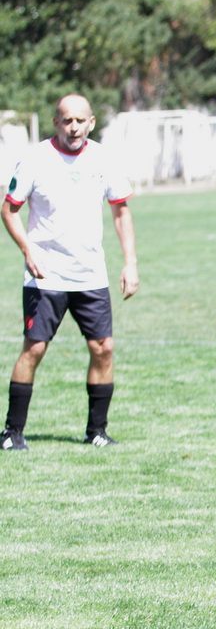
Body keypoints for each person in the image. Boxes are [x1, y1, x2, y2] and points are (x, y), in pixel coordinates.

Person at [1, 94, 139, 451]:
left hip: (90, 274)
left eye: (80, 120)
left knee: (103, 348)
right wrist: (28, 249)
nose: (73, 127)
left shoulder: (103, 159)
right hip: (45, 275)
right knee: (34, 349)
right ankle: (12, 433)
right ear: (56, 123)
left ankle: (97, 431)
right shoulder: (35, 159)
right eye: (67, 121)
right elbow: (9, 209)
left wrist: (130, 262)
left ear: (91, 122)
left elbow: (121, 211)